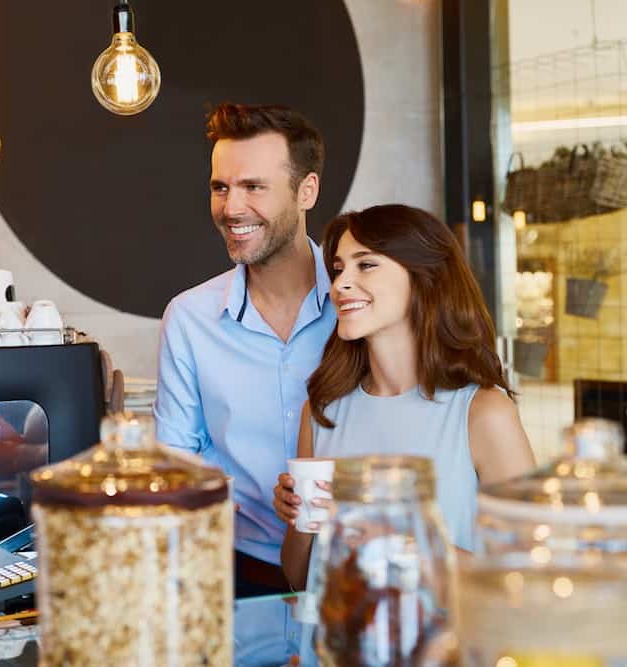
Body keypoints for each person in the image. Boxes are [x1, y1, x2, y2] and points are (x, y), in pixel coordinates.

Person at [272, 204, 536, 591]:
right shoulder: (322, 409)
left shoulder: (483, 413)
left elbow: (526, 578)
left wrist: (388, 535)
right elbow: (299, 579)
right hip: (335, 647)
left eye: (366, 265)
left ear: (424, 278)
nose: (340, 284)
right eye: (339, 268)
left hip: (439, 649)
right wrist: (301, 519)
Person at [154, 104, 335, 596]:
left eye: (253, 187)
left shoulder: (359, 307)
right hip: (235, 577)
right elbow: (176, 465)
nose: (231, 208)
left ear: (307, 191)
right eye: (220, 187)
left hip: (356, 570)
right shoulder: (189, 318)